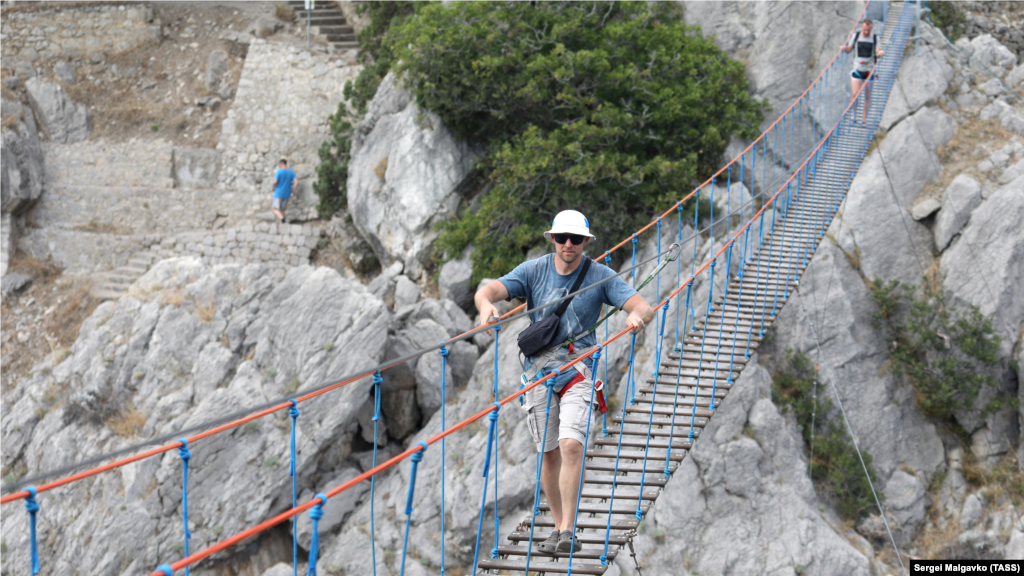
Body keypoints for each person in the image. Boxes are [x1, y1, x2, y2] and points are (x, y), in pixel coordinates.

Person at [474, 210, 655, 555]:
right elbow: (489, 291)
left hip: (578, 369)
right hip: (539, 373)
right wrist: (485, 306)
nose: (568, 244)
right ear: (553, 239)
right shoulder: (532, 271)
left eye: (575, 239)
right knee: (548, 452)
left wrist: (636, 316)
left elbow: (643, 306)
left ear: (585, 242)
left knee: (571, 445)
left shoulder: (600, 275)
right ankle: (557, 528)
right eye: (561, 238)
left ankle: (568, 531)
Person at [842, 18, 884, 126]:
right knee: (855, 94)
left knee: (867, 96)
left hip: (869, 71)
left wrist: (880, 53)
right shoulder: (856, 36)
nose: (866, 32)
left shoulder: (875, 38)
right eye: (864, 30)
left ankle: (864, 120)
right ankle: (853, 117)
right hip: (857, 69)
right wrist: (844, 48)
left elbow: (877, 51)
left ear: (871, 28)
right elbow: (849, 49)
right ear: (861, 27)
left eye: (868, 30)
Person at [271, 158, 297, 224]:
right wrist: (293, 190)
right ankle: (283, 224)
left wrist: (273, 188)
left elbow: (275, 182)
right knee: (282, 209)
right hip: (287, 193)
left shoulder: (279, 171)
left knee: (274, 208)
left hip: (278, 193)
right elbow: (296, 182)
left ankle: (282, 219)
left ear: (280, 164)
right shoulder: (291, 172)